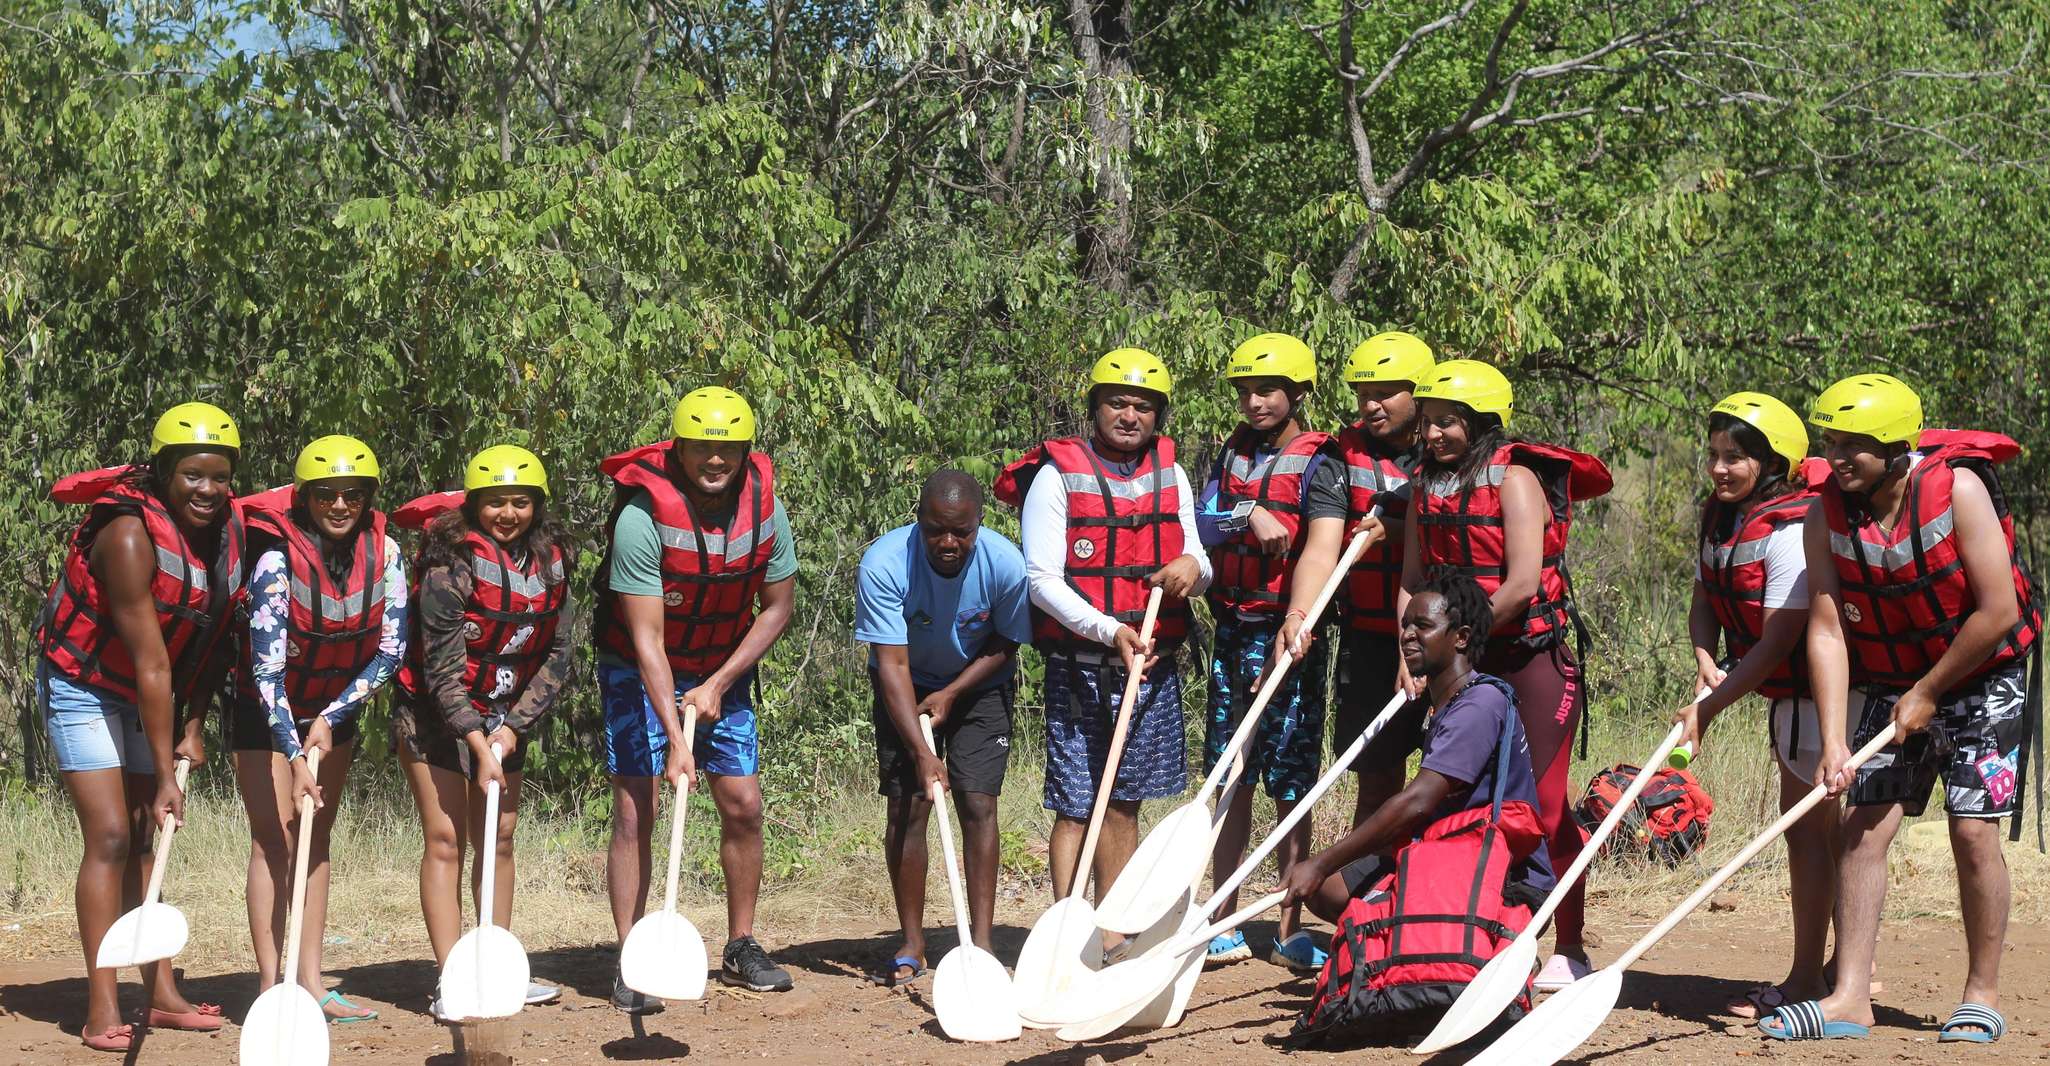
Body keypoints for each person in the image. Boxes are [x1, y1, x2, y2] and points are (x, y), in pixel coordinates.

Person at [1762, 374, 2040, 1043]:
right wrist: (1834, 740)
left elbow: (1999, 610)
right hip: (1893, 681)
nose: (1838, 456)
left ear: (1893, 446)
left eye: (1854, 443)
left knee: (1973, 832)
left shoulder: (1958, 490)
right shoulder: (1823, 510)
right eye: (1832, 441)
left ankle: (1982, 994)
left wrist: (1930, 690)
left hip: (1981, 674)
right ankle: (1851, 996)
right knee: (1860, 825)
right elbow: (1827, 628)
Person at [34, 402, 246, 1051]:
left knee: (149, 845)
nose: (207, 490)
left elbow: (217, 637)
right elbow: (154, 664)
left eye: (219, 476)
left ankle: (161, 991)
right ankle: (102, 1005)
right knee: (110, 836)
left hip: (146, 691)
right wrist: (163, 775)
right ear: (162, 471)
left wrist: (196, 724)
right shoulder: (127, 536)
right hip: (84, 683)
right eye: (191, 476)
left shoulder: (226, 534)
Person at [1397, 359, 1610, 990]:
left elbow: (1520, 583)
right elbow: (1412, 583)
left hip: (1529, 660)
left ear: (1481, 422)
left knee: (1542, 807)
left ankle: (1568, 945)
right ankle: (1480, 932)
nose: (1433, 435)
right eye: (1428, 422)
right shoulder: (1421, 486)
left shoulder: (1515, 481)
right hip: (1462, 662)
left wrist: (1462, 644)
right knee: (1460, 801)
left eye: (1447, 423)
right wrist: (1407, 658)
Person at [592, 386, 798, 1010]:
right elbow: (647, 639)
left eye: (728, 449)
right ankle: (632, 958)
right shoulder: (641, 518)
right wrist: (677, 739)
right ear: (679, 448)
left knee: (742, 802)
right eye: (704, 448)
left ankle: (740, 945)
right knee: (638, 808)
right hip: (638, 668)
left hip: (720, 667)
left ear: (744, 451)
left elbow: (777, 608)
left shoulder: (766, 509)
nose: (716, 460)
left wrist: (718, 684)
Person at [995, 348, 1210, 920]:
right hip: (1081, 665)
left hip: (1149, 667)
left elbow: (1199, 559)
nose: (1130, 416)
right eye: (1117, 403)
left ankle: (1111, 934)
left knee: (1124, 804)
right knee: (1075, 804)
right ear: (1096, 407)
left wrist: (1194, 568)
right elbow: (1042, 581)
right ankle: (1067, 927)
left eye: (1143, 406)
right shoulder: (1056, 475)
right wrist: (1110, 627)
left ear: (1157, 415)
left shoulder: (1172, 471)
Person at [1668, 393, 1836, 1019]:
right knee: (1814, 834)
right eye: (1713, 454)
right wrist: (1703, 656)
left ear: (1773, 464)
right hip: (1791, 703)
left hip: (1826, 699)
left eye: (1734, 457)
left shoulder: (1791, 528)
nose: (1718, 468)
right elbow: (1706, 596)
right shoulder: (1722, 517)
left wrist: (1708, 711)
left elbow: (1777, 642)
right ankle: (1838, 968)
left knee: (1818, 834)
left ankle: (1809, 980)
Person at [391, 445, 574, 1018]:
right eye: (495, 503)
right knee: (447, 840)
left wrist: (515, 728)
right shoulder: (450, 566)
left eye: (520, 502)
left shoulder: (551, 562)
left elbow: (560, 653)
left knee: (498, 839)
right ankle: (452, 980)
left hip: (505, 718)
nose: (508, 514)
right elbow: (442, 671)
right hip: (433, 717)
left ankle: (495, 969)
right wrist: (475, 739)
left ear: (537, 507)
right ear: (474, 506)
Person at [234, 434, 407, 1024]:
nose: (340, 505)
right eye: (327, 494)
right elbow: (265, 671)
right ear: (305, 498)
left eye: (353, 495)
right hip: (267, 709)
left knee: (316, 833)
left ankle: (309, 981)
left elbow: (390, 650)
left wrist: (330, 720)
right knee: (275, 836)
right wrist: (295, 745)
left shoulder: (387, 555)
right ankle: (270, 984)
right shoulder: (275, 561)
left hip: (337, 704)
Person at [1192, 333, 1345, 971]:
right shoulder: (1229, 450)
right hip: (1233, 630)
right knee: (1231, 774)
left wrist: (1297, 618)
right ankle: (1222, 915)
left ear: (1298, 393)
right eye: (1246, 391)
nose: (1254, 402)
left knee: (1290, 778)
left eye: (1268, 390)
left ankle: (1287, 923)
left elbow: (1321, 545)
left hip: (1292, 638)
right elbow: (1201, 519)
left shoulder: (1322, 462)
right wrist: (1247, 512)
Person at [1280, 569, 1554, 924]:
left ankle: (1439, 945)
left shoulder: (1478, 704)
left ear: (1461, 638)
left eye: (1422, 626)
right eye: (1406, 624)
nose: (1407, 635)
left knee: (1325, 880)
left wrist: (1321, 861)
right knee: (1327, 890)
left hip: (1503, 875)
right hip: (1447, 851)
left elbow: (1418, 801)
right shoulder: (1445, 701)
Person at [855, 470, 1030, 987]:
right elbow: (891, 665)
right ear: (919, 521)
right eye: (935, 530)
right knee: (908, 807)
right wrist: (921, 750)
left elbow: (1007, 642)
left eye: (961, 531)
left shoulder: (1005, 564)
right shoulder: (884, 564)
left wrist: (953, 694)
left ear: (979, 524)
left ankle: (980, 943)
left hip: (980, 682)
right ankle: (911, 942)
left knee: (977, 804)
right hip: (903, 684)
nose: (948, 543)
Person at [1279, 331, 1430, 834]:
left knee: (1456, 772)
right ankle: (1373, 890)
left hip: (1447, 640)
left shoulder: (1451, 448)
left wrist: (1404, 530)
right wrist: (1298, 615)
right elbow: (1322, 549)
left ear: (1419, 392)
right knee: (1377, 773)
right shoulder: (1339, 462)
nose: (1371, 404)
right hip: (1370, 637)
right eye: (1364, 394)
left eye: (1385, 392)